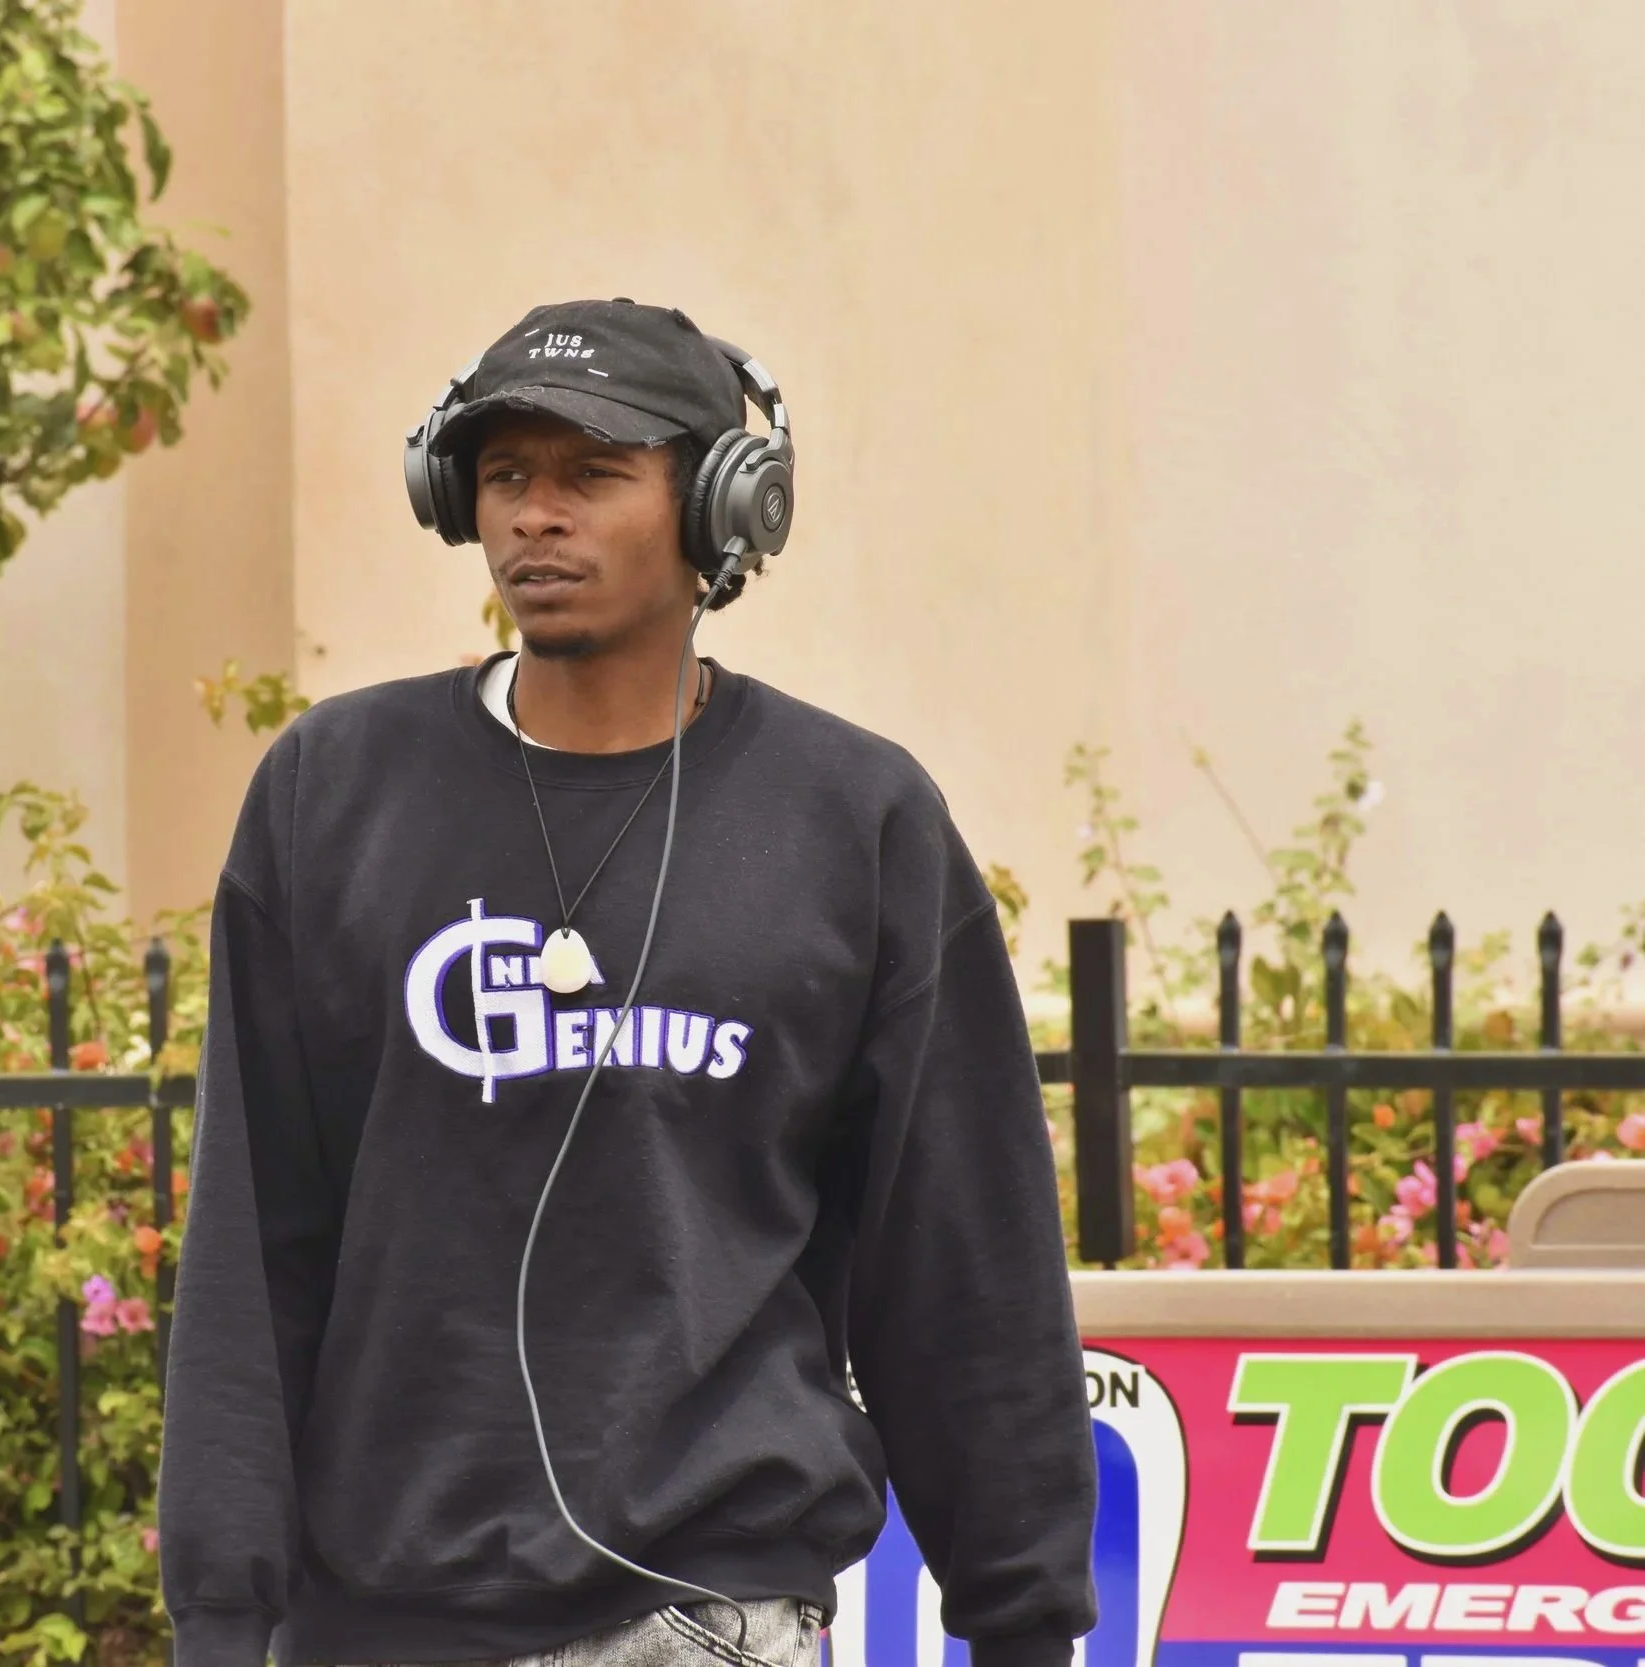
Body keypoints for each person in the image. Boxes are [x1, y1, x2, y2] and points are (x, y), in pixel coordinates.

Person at [157, 298, 1097, 1667]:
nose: (537, 517)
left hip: (708, 1615)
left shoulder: (855, 820)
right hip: (382, 1623)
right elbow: (257, 1235)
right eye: (505, 477)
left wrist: (1023, 1622)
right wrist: (223, 1614)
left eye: (593, 474)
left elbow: (962, 1263)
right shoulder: (332, 793)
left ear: (725, 509)